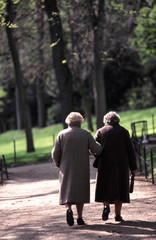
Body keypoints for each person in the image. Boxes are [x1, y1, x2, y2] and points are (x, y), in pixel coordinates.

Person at [51, 112, 102, 226]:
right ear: (80, 121)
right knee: (80, 191)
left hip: (66, 166)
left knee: (67, 189)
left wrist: (58, 163)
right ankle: (79, 218)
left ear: (68, 122)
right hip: (82, 166)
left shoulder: (62, 134)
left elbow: (55, 153)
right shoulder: (86, 134)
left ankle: (68, 209)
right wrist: (101, 144)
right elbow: (96, 149)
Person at [94, 111, 137, 222]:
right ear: (118, 120)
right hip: (121, 165)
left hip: (104, 164)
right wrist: (133, 168)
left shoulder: (100, 131)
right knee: (120, 188)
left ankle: (106, 206)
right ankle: (117, 215)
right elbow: (130, 151)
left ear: (106, 121)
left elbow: (94, 148)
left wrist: (97, 157)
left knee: (105, 187)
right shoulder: (124, 132)